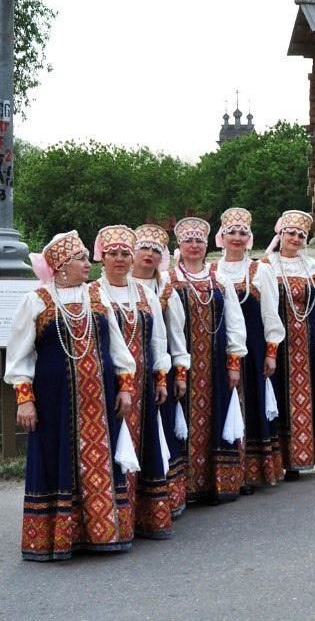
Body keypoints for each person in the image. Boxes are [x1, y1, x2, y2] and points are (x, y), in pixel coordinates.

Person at [8, 231, 136, 561]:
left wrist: (125, 385)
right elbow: (19, 356)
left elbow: (118, 346)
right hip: (54, 402)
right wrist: (25, 398)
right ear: (62, 265)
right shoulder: (37, 300)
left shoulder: (97, 296)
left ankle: (102, 533)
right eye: (80, 258)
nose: (87, 263)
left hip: (99, 400)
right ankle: (58, 538)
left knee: (101, 462)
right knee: (56, 459)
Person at [90, 225, 174, 538]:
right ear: (102, 257)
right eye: (113, 253)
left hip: (143, 384)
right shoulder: (93, 292)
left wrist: (161, 378)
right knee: (110, 446)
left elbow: (159, 339)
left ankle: (144, 518)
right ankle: (113, 521)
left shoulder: (145, 294)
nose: (120, 259)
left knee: (144, 446)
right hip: (105, 384)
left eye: (125, 253)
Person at [168, 217, 248, 503]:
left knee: (216, 416)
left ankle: (218, 484)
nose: (194, 245)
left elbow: (235, 322)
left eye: (199, 241)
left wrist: (234, 361)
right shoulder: (168, 280)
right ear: (179, 245)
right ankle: (185, 488)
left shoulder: (220, 279)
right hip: (182, 363)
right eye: (188, 240)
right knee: (182, 421)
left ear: (207, 245)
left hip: (215, 363)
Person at [214, 208, 285, 490]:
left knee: (253, 403)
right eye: (231, 232)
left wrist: (271, 352)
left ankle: (253, 471)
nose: (237, 237)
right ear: (222, 237)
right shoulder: (212, 271)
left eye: (242, 233)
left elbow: (271, 313)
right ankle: (229, 472)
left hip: (254, 349)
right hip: (221, 350)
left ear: (249, 238)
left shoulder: (260, 270)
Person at [264, 210, 315, 479]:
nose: (295, 238)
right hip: (277, 344)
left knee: (306, 395)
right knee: (277, 395)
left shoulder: (311, 266)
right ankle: (278, 459)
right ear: (280, 235)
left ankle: (300, 457)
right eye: (290, 233)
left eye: (301, 235)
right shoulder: (266, 265)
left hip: (306, 341)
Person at [132, 223, 190, 517]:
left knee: (159, 434)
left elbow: (176, 335)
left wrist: (179, 372)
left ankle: (164, 501)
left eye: (156, 250)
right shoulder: (106, 288)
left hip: (158, 372)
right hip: (125, 375)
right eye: (144, 247)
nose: (149, 254)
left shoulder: (165, 289)